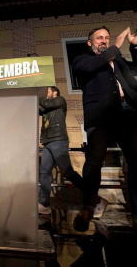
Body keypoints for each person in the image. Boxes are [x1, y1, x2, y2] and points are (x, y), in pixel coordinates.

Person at [72, 26, 137, 232]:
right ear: (90, 42)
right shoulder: (82, 59)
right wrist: (118, 45)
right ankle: (88, 206)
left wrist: (134, 48)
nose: (104, 40)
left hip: (125, 112)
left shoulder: (117, 60)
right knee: (94, 160)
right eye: (100, 38)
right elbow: (89, 67)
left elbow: (134, 73)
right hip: (100, 114)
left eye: (107, 38)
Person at [38, 86, 84, 214]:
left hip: (58, 140)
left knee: (67, 172)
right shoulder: (47, 108)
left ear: (55, 92)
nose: (45, 94)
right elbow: (39, 109)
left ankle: (92, 196)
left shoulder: (60, 100)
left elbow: (45, 103)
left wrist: (36, 97)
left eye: (47, 91)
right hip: (47, 142)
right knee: (44, 171)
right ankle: (44, 204)